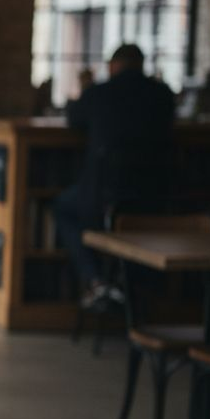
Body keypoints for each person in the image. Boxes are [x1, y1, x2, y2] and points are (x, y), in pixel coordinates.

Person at [56, 44, 175, 307]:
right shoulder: (162, 94)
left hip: (103, 198)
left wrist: (85, 88)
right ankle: (127, 283)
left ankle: (96, 280)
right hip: (153, 198)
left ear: (113, 66)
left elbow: (73, 119)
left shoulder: (98, 93)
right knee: (131, 223)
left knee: (63, 208)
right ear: (141, 65)